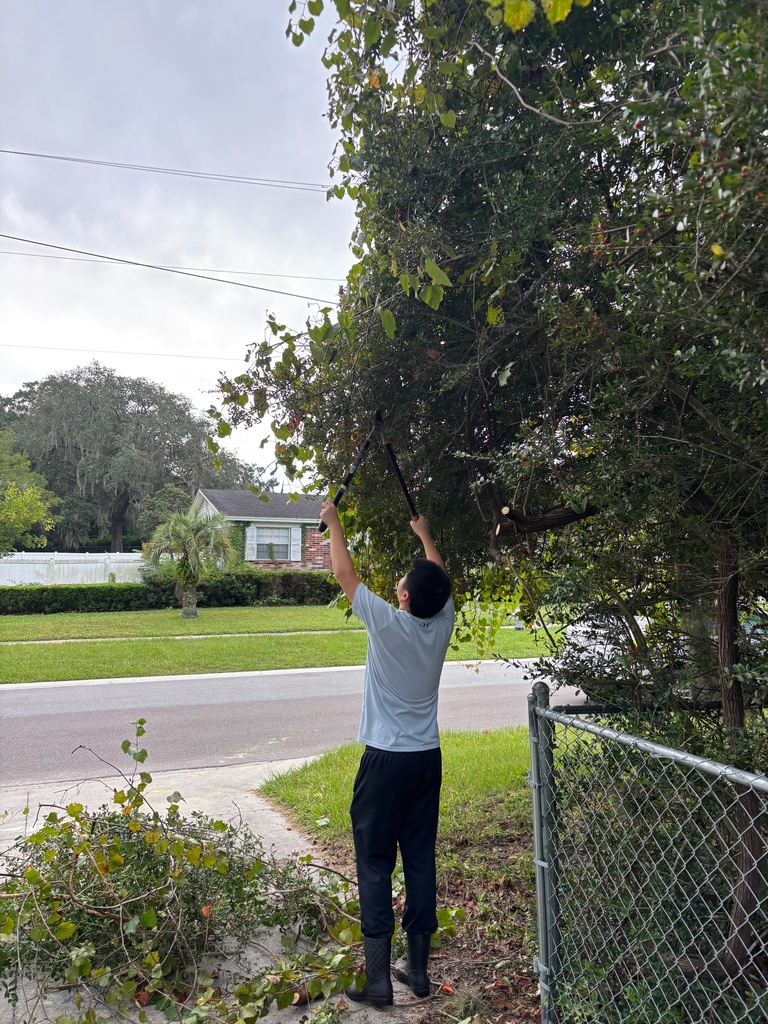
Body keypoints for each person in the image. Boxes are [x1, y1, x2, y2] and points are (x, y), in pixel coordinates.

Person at [320, 499, 455, 1006]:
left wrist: (333, 522)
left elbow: (343, 572)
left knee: (375, 862)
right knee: (419, 858)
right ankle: (417, 973)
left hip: (384, 761)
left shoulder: (387, 624)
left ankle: (378, 980)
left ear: (401, 596)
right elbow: (438, 580)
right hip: (426, 759)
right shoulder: (440, 626)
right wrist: (425, 535)